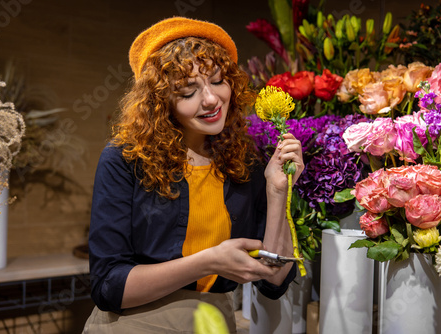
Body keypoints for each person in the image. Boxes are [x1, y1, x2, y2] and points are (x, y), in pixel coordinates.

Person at [83, 16, 304, 333]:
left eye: (217, 81)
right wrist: (209, 261)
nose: (211, 99)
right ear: (161, 103)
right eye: (188, 92)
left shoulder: (245, 162)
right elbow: (108, 287)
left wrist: (277, 190)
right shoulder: (125, 159)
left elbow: (273, 281)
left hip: (212, 322)